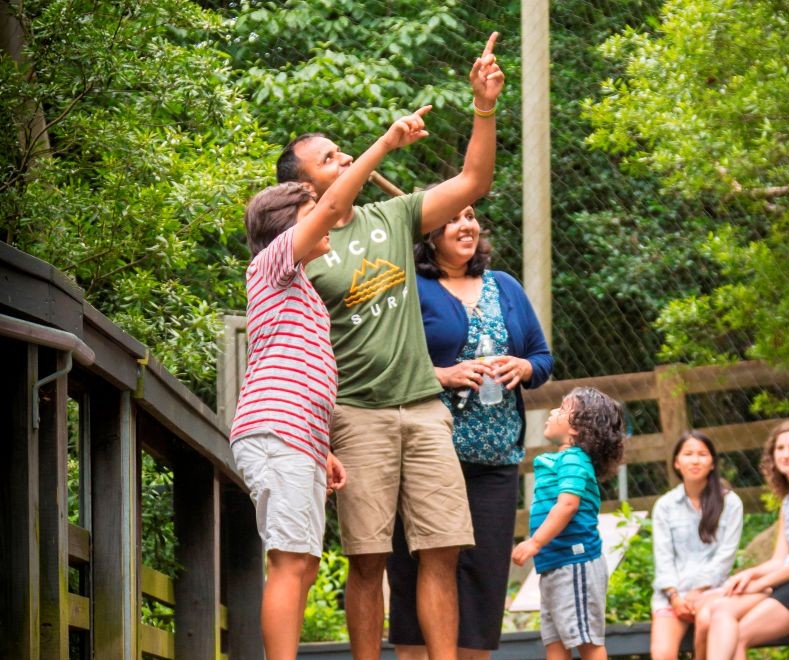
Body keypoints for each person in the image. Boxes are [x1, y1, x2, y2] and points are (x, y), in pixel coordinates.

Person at [274, 33, 504, 660]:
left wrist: (483, 107)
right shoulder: (302, 252)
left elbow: (474, 180)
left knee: (443, 549)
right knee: (369, 559)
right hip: (354, 413)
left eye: (340, 151)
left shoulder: (391, 218)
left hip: (424, 409)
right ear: (305, 185)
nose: (341, 159)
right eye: (328, 158)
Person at [229, 107, 432, 660]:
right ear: (289, 224)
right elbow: (340, 201)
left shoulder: (303, 292)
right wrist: (385, 145)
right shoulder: (273, 263)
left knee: (303, 559)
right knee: (291, 561)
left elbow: (306, 379)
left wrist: (320, 450)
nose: (326, 216)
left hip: (295, 439)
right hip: (276, 433)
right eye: (313, 210)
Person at [387, 202, 554, 659]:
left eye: (471, 216)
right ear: (429, 234)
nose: (468, 225)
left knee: (483, 575)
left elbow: (543, 358)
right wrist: (444, 374)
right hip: (427, 452)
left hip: (496, 458)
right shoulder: (410, 287)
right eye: (454, 218)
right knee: (415, 566)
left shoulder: (505, 286)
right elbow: (390, 359)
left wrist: (524, 366)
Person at [693, 420, 789, 660]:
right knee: (720, 610)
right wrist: (748, 575)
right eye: (780, 448)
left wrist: (762, 583)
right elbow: (780, 559)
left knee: (739, 633)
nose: (786, 454)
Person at [511, 387, 626, 660]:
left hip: (575, 564)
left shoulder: (574, 458)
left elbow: (568, 504)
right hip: (554, 566)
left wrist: (535, 542)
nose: (553, 412)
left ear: (578, 429)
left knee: (586, 642)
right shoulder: (562, 460)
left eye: (562, 410)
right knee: (556, 643)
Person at [649, 431, 744, 660]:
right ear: (676, 462)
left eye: (702, 454)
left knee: (707, 622)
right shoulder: (665, 505)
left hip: (713, 590)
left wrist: (697, 591)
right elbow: (663, 558)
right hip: (671, 595)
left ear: (712, 462)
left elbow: (725, 556)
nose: (695, 460)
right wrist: (675, 597)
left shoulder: (730, 503)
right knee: (662, 654)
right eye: (688, 454)